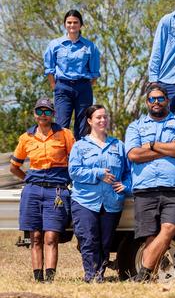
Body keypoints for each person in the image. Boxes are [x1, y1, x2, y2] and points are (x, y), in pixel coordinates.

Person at [124, 84, 175, 282]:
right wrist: (168, 148)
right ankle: (149, 279)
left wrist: (153, 145)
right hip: (145, 188)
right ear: (147, 102)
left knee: (169, 229)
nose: (156, 102)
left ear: (167, 100)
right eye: (152, 99)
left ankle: (142, 274)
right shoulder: (136, 126)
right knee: (150, 235)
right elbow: (133, 154)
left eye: (160, 99)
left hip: (174, 188)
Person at [9, 98, 75, 282]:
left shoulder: (65, 134)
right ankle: (38, 278)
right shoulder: (26, 137)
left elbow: (75, 162)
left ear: (53, 114)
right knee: (35, 236)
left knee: (51, 236)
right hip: (33, 190)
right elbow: (14, 167)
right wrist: (28, 180)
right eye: (40, 111)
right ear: (34, 114)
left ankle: (50, 278)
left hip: (56, 191)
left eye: (47, 111)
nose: (43, 115)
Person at [68, 104, 131, 283]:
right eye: (98, 117)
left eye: (105, 117)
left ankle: (99, 274)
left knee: (105, 242)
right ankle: (91, 276)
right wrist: (98, 173)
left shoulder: (118, 145)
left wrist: (126, 185)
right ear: (89, 121)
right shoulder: (80, 146)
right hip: (85, 201)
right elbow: (74, 172)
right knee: (89, 240)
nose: (103, 120)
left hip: (111, 202)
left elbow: (128, 172)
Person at [43, 9, 101, 140]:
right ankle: (61, 158)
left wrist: (86, 86)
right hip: (62, 88)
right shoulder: (55, 45)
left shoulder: (90, 46)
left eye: (75, 22)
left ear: (81, 25)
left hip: (83, 88)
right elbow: (49, 68)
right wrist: (54, 86)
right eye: (69, 22)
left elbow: (95, 73)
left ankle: (80, 156)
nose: (72, 25)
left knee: (83, 126)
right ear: (64, 24)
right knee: (61, 125)